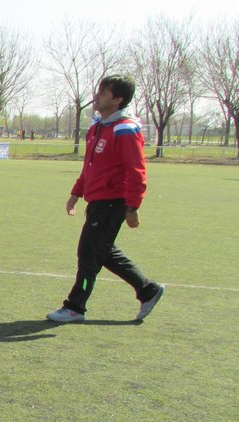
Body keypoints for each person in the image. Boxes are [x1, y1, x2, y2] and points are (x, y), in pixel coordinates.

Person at [48, 74, 164, 324]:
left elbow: (137, 170)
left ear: (118, 99)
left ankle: (75, 306)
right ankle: (148, 290)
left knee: (89, 253)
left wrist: (132, 206)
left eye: (103, 93)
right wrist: (77, 192)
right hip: (97, 200)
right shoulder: (97, 127)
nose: (96, 96)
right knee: (101, 251)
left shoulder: (125, 129)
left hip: (113, 202)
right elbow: (90, 167)